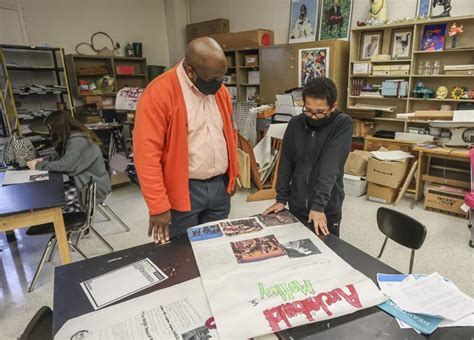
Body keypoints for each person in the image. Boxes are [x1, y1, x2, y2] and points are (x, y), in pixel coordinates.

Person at [133, 37, 239, 245]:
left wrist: (233, 174)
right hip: (184, 189)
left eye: (222, 79)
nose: (219, 85)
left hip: (219, 186)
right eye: (212, 80)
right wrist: (158, 205)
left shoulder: (220, 92)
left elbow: (229, 134)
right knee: (182, 255)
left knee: (216, 248)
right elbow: (146, 155)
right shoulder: (159, 93)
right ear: (190, 71)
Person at [263, 78, 352, 237]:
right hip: (297, 205)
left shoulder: (342, 123)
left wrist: (318, 206)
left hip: (326, 208)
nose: (313, 116)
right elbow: (286, 163)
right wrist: (281, 199)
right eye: (308, 109)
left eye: (320, 112)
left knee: (328, 254)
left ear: (333, 106)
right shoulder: (296, 123)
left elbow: (330, 167)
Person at [26, 110, 110, 211]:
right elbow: (61, 156)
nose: (50, 131)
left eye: (50, 127)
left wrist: (38, 166)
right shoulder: (73, 137)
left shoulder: (78, 140)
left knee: (47, 201)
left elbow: (66, 165)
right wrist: (43, 160)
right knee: (45, 195)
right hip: (84, 181)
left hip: (90, 188)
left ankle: (64, 223)